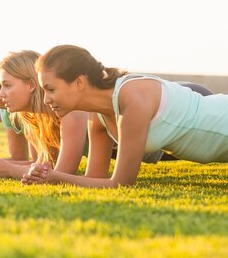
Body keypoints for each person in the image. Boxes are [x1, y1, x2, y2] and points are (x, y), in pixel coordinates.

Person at [22, 44, 228, 188]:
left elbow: (121, 183)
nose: (46, 99)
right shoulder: (98, 116)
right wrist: (49, 175)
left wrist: (56, 177)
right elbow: (95, 177)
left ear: (79, 83)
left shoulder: (131, 97)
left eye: (50, 89)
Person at [0, 51, 90, 179]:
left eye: (7, 85)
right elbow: (42, 165)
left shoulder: (69, 109)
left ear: (31, 85)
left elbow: (62, 174)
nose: (0, 94)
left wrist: (9, 170)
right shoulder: (34, 117)